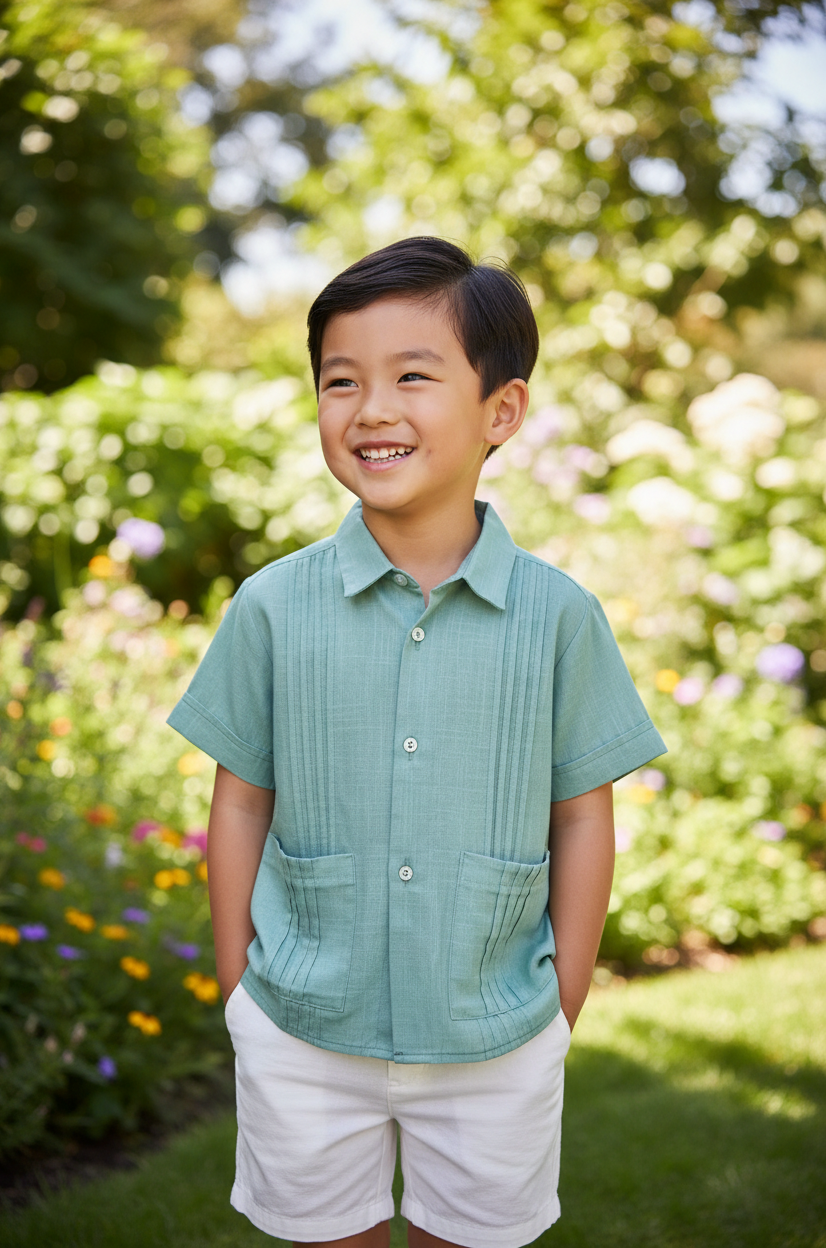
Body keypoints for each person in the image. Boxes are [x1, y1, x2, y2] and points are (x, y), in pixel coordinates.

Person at [167, 236, 667, 1248]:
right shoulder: (271, 606)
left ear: (501, 412)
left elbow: (582, 817)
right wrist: (239, 989)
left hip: (496, 1032)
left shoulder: (558, 616)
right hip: (302, 1024)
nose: (370, 409)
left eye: (412, 377)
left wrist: (560, 1003)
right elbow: (241, 799)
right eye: (340, 380)